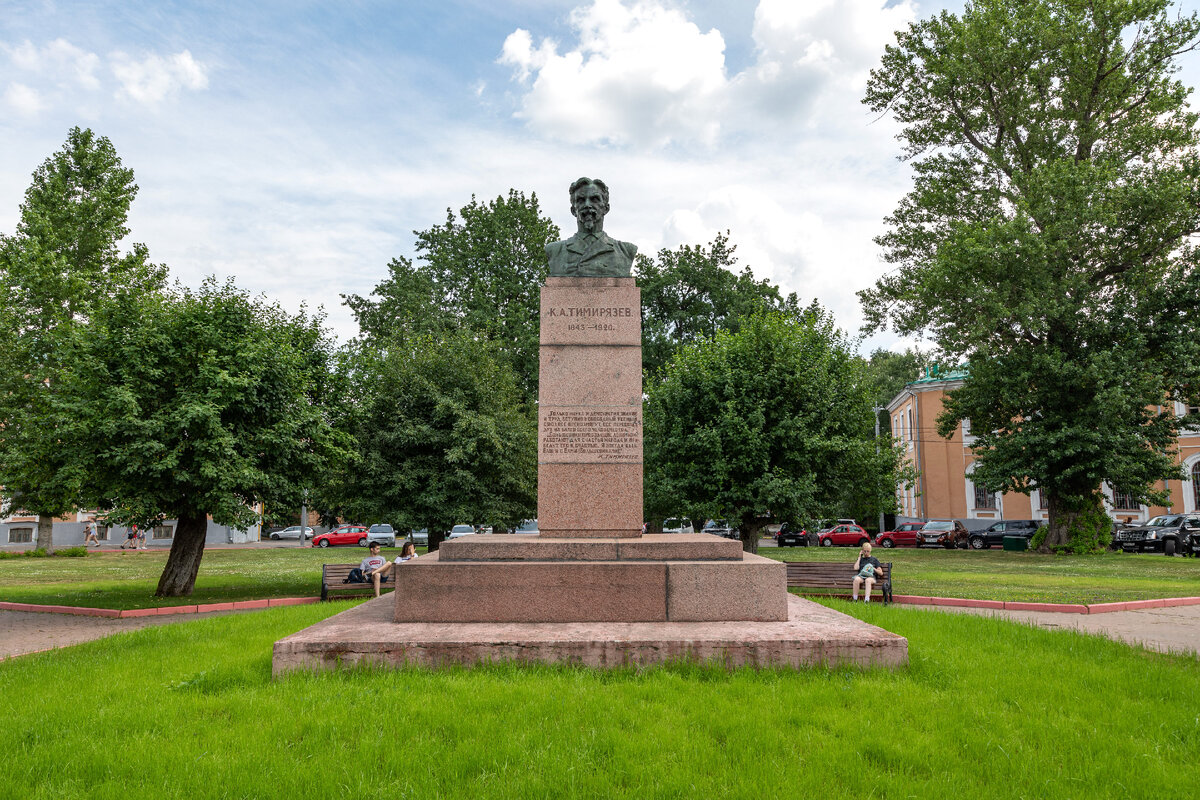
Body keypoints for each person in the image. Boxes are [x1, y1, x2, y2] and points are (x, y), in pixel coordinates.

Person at [545, 177, 638, 277]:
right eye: (581, 200)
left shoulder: (626, 251)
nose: (587, 205)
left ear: (606, 208)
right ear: (573, 210)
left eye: (594, 199)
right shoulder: (555, 251)